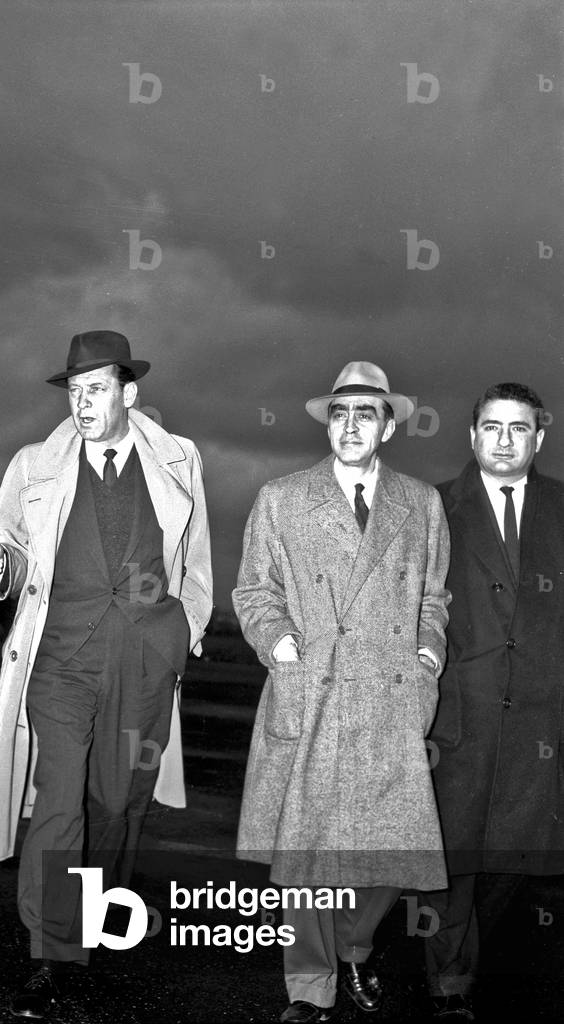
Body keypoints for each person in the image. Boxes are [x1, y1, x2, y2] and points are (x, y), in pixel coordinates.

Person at [0, 330, 212, 1019]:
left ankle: (93, 917)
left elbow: (195, 557)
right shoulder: (33, 465)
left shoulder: (179, 459)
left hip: (144, 658)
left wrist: (185, 629)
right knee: (58, 797)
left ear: (129, 393)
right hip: (61, 658)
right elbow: (8, 548)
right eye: (74, 391)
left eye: (97, 390)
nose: (82, 403)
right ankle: (51, 951)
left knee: (116, 803)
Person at [233, 361, 450, 1023]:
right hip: (315, 689)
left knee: (391, 849)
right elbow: (255, 590)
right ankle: (309, 987)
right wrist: (282, 646)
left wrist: (426, 654)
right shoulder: (282, 498)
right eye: (339, 413)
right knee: (308, 852)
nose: (350, 426)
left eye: (365, 414)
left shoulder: (421, 503)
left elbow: (433, 597)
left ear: (388, 427)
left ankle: (354, 945)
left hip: (391, 695)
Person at [424, 383, 564, 1021]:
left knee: (513, 853)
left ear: (540, 437)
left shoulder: (561, 509)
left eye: (519, 428)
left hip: (540, 719)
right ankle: (449, 983)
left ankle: (475, 958)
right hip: (459, 715)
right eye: (492, 427)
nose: (504, 441)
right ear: (471, 434)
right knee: (452, 856)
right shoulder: (432, 508)